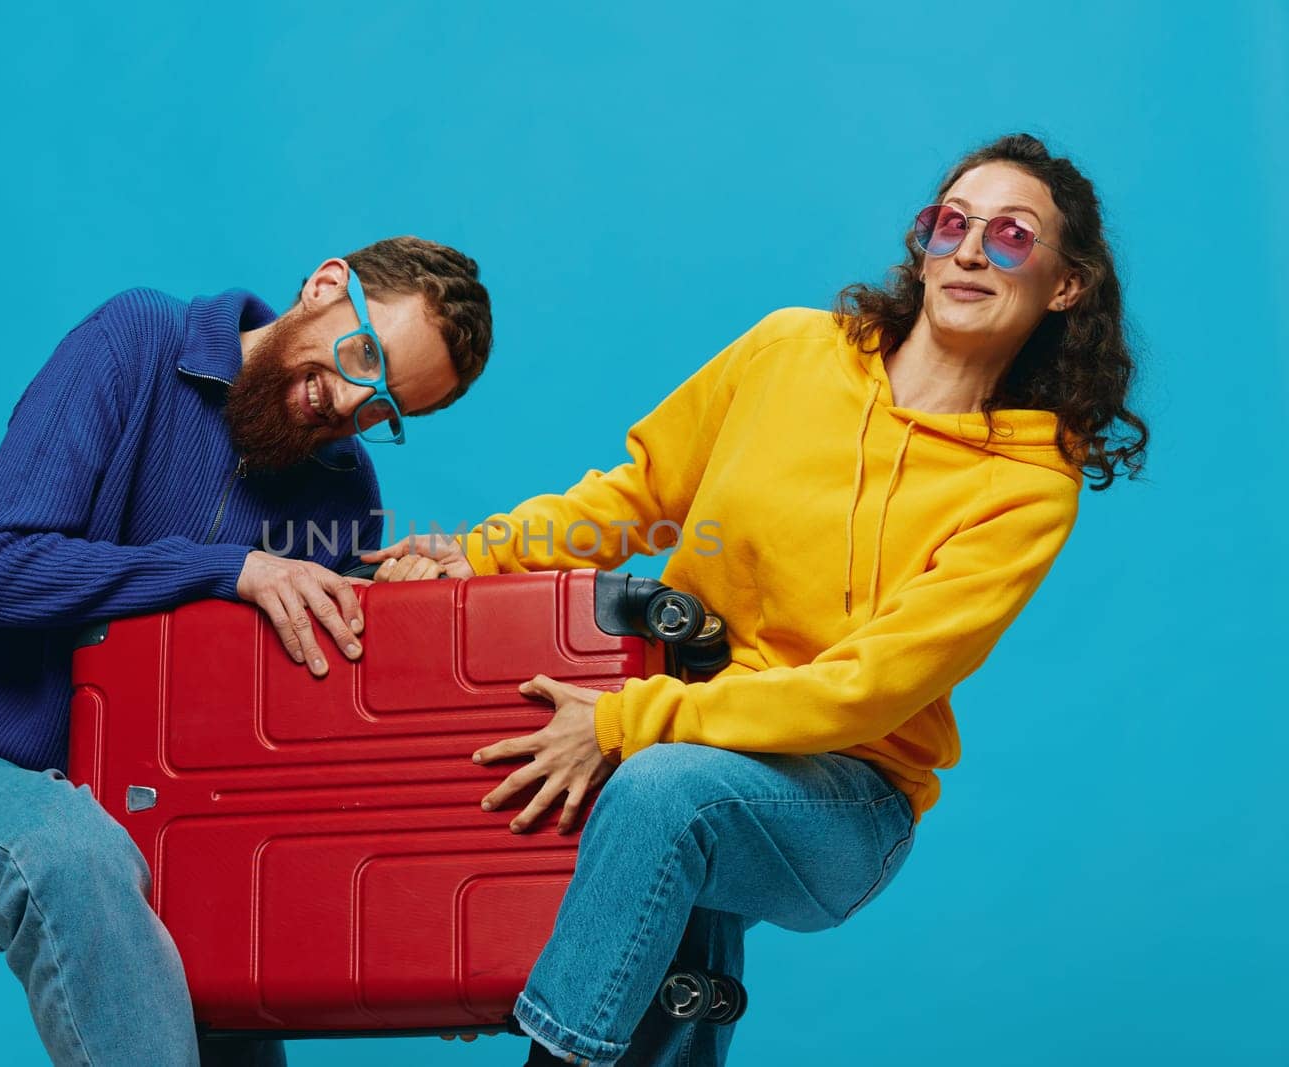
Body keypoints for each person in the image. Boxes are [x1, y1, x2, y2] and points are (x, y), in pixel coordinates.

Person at [365, 133, 1149, 1066]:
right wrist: (478, 554)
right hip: (696, 734)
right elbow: (635, 495)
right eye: (952, 223)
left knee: (664, 791)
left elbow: (866, 687)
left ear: (1066, 285)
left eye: (1013, 235)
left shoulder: (1027, 487)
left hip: (846, 794)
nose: (972, 251)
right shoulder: (789, 350)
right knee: (672, 956)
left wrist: (636, 718)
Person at [0, 236, 493, 1066]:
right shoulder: (139, 341)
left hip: (193, 846)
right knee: (78, 854)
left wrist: (410, 608)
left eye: (385, 407)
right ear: (324, 286)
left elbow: (317, 747)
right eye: (364, 356)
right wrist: (226, 569)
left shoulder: (345, 491)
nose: (349, 403)